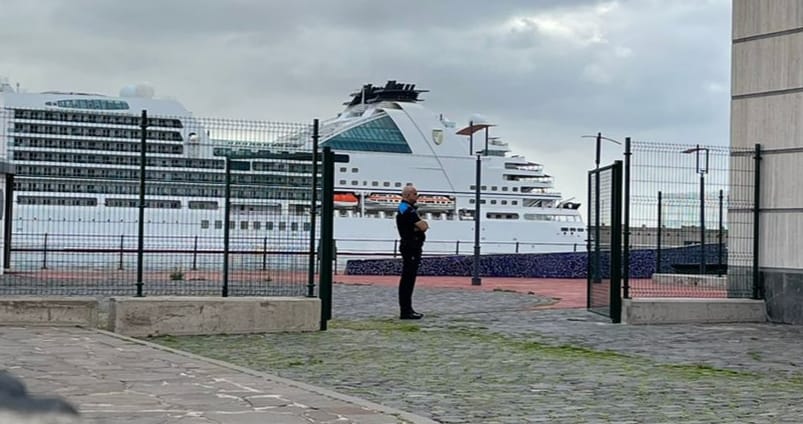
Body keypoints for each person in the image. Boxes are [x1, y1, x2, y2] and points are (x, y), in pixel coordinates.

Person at [395, 184, 428, 319]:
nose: (417, 196)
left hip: (411, 246)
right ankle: (406, 311)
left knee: (408, 279)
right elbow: (423, 226)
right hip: (411, 247)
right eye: (415, 194)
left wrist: (419, 227)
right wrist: (419, 226)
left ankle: (407, 309)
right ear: (407, 195)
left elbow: (420, 226)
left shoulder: (406, 208)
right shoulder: (407, 209)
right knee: (408, 280)